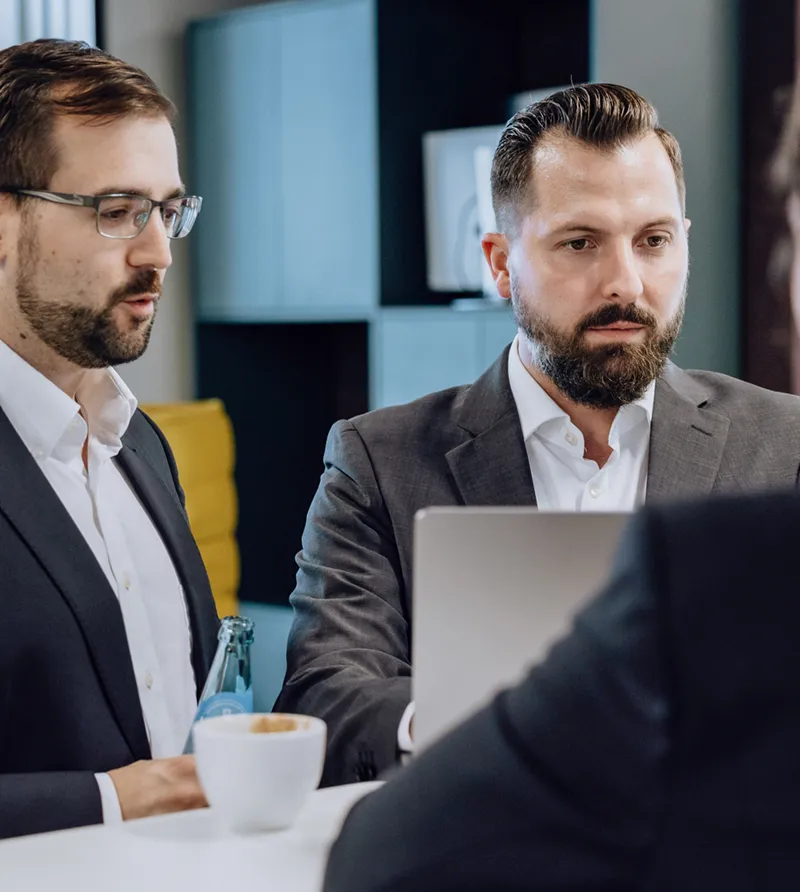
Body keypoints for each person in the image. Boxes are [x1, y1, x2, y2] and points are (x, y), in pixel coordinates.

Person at [320, 79, 800, 892]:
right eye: (581, 243)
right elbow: (330, 695)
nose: (626, 283)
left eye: (653, 241)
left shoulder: (785, 443)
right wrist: (504, 739)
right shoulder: (378, 457)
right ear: (500, 264)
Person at [0, 39, 219, 839]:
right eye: (117, 211)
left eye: (168, 211)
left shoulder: (143, 447)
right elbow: (142, 786)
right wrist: (117, 801)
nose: (158, 252)